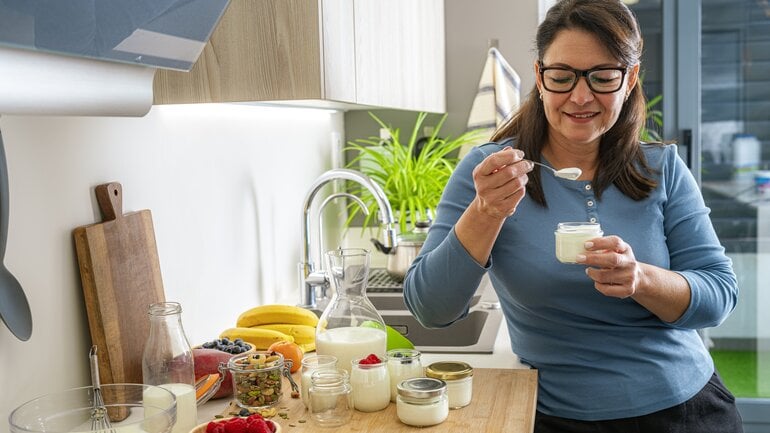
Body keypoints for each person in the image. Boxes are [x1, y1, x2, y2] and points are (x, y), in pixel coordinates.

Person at [402, 0, 744, 431]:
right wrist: (486, 212)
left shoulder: (662, 168)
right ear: (539, 76)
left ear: (630, 78)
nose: (580, 97)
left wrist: (641, 279)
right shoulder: (489, 171)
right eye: (562, 77)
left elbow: (719, 294)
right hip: (556, 418)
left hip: (686, 410)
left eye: (602, 77)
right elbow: (430, 310)